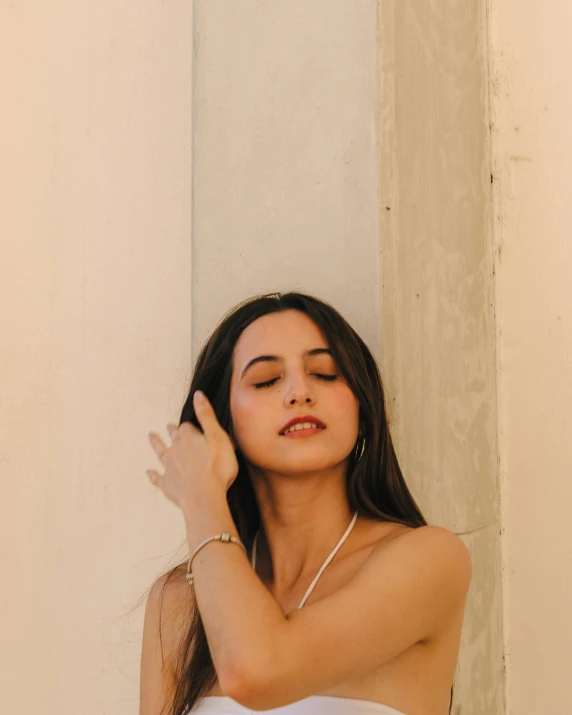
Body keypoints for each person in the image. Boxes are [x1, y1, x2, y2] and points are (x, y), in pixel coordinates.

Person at [139, 291, 472, 715]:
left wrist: (201, 500)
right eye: (266, 380)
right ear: (224, 423)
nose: (299, 392)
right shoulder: (177, 604)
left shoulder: (428, 560)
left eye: (326, 373)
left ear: (363, 407)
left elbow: (255, 672)